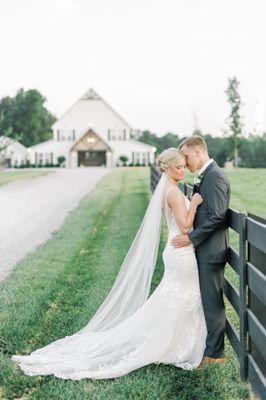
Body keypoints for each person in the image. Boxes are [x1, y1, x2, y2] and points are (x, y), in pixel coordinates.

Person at [12, 148, 207, 380]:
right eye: (178, 167)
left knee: (172, 298)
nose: (182, 170)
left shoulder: (166, 189)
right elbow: (185, 227)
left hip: (177, 251)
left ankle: (174, 341)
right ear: (167, 168)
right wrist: (194, 203)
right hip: (180, 251)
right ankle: (173, 344)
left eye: (184, 166)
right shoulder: (174, 193)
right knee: (180, 297)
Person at [171, 136, 231, 368]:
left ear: (198, 152)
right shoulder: (207, 175)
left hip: (212, 252)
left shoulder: (215, 176)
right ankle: (211, 350)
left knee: (212, 303)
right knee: (208, 301)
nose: (184, 162)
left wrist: (190, 238)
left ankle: (215, 355)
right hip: (206, 249)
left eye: (186, 156)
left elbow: (217, 216)